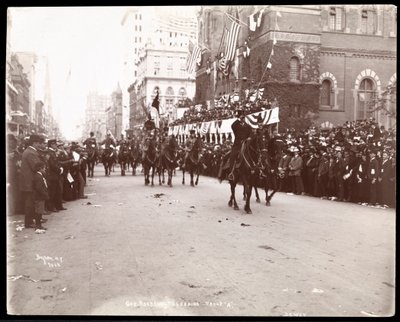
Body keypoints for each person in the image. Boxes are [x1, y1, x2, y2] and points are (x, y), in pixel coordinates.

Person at [19, 134, 45, 228]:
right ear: (34, 143)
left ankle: (31, 220)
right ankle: (29, 222)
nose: (39, 145)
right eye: (38, 143)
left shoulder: (30, 151)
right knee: (30, 203)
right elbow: (36, 167)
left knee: (30, 202)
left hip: (28, 182)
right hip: (29, 182)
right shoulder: (31, 153)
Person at [227, 109, 252, 180]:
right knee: (233, 155)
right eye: (242, 117)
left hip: (246, 144)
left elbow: (251, 133)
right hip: (238, 144)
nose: (243, 119)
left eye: (244, 117)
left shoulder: (248, 126)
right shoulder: (236, 125)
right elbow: (233, 126)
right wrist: (238, 119)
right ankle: (231, 172)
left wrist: (250, 137)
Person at [32, 161, 49, 230]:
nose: (44, 169)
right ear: (40, 169)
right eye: (44, 168)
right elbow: (39, 188)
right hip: (39, 197)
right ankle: (38, 226)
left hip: (39, 196)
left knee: (39, 211)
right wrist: (45, 194)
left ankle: (39, 225)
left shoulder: (38, 176)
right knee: (39, 212)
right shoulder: (38, 177)